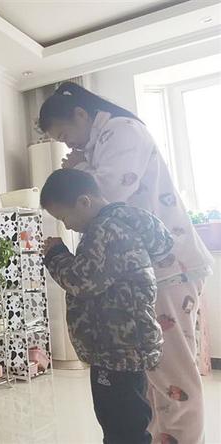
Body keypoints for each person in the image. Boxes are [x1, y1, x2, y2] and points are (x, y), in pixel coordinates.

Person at [39, 82, 213, 444]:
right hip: (157, 267)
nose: (68, 145)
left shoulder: (122, 132)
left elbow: (107, 191)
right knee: (151, 379)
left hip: (169, 269)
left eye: (65, 135)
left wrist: (79, 167)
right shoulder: (103, 143)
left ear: (81, 115)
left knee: (173, 376)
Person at [41, 169, 173, 444]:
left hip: (116, 348)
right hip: (122, 346)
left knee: (120, 426)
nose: (67, 226)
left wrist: (56, 254)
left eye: (64, 218)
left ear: (84, 202)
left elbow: (81, 280)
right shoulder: (119, 225)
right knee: (127, 421)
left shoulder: (105, 230)